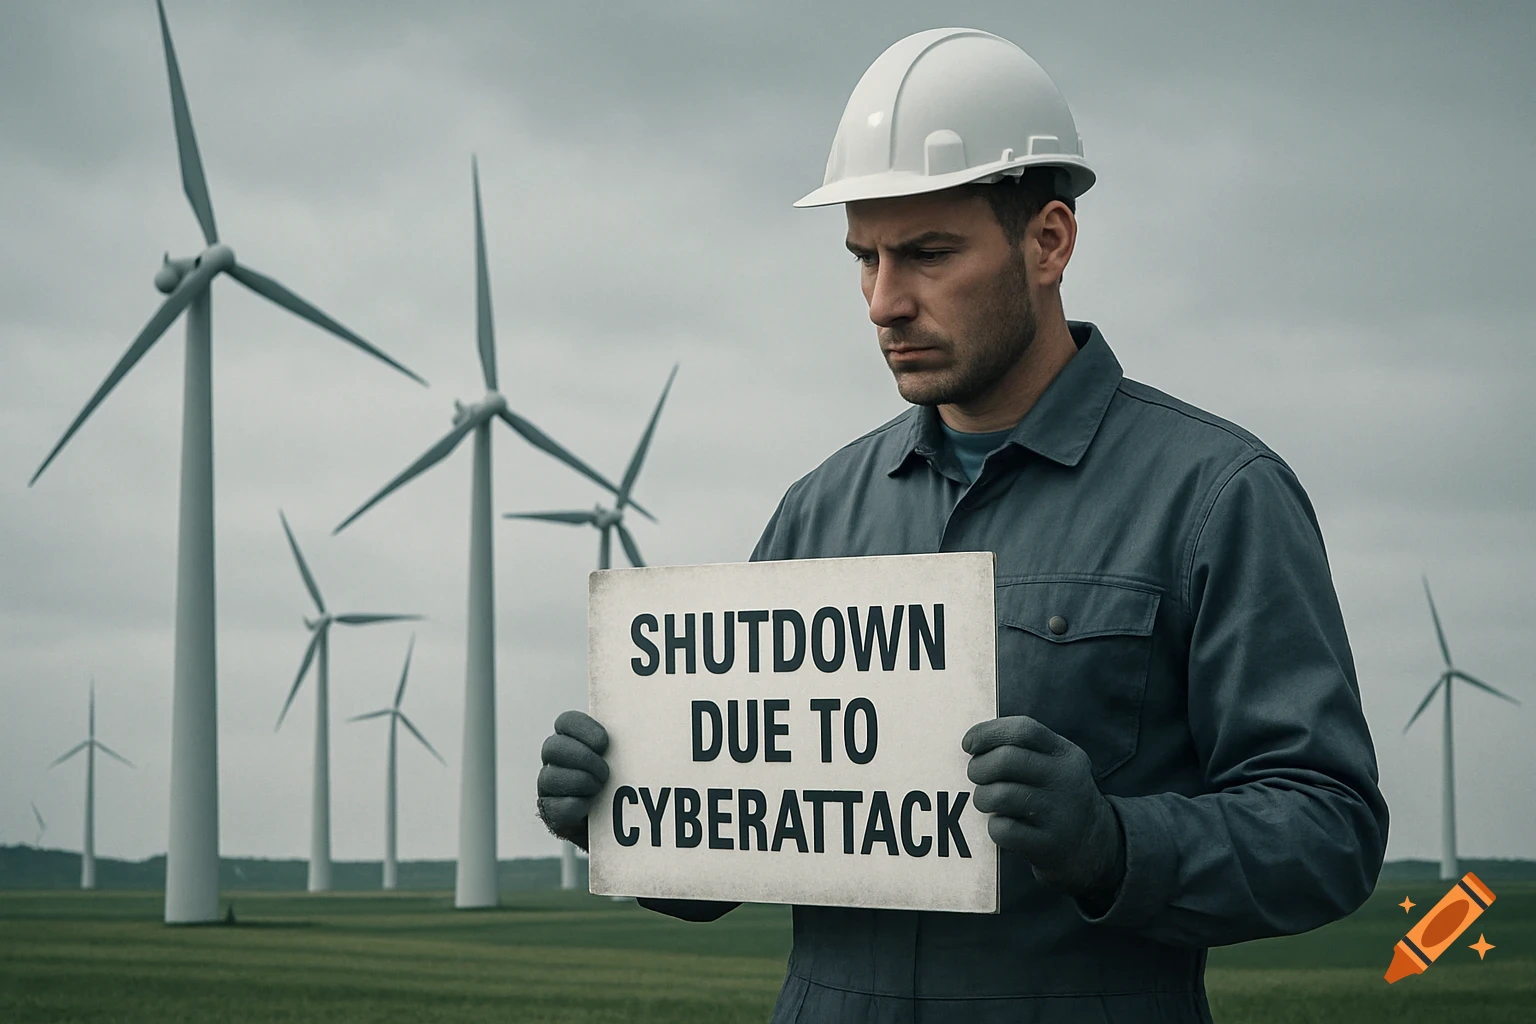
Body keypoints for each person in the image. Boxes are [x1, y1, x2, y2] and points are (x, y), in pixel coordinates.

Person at [536, 26, 1388, 1023]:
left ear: (1049, 242)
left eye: (928, 255)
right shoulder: (819, 508)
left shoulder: (1214, 495)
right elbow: (739, 856)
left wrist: (1118, 844)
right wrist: (626, 815)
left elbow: (1328, 831)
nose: (883, 302)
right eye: (864, 258)